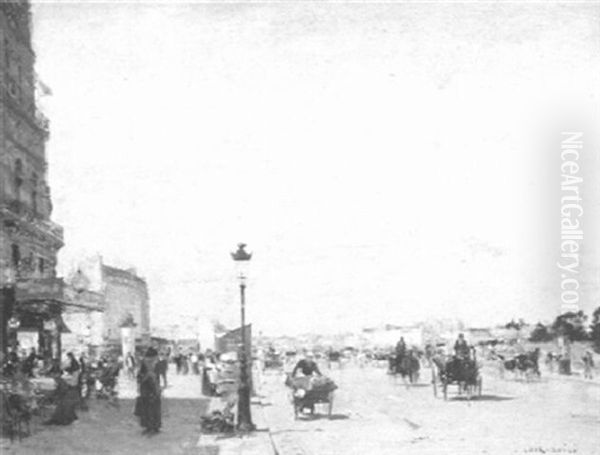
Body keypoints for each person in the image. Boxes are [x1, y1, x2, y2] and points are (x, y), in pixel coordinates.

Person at [136, 347, 162, 435]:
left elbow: (158, 377)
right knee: (147, 408)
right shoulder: (144, 364)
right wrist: (147, 376)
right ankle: (149, 426)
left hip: (153, 389)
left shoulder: (156, 364)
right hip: (146, 389)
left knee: (153, 408)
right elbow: (139, 377)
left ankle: (154, 427)